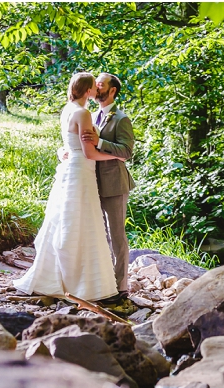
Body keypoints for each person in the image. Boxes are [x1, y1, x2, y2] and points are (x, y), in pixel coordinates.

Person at [13, 72, 123, 302]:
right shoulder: (83, 113)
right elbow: (89, 152)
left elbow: (70, 143)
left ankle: (64, 279)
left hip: (73, 169)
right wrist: (116, 158)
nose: (97, 89)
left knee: (69, 221)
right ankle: (82, 284)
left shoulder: (68, 109)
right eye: (94, 86)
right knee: (83, 223)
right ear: (88, 90)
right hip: (81, 171)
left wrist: (66, 151)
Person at [81, 73, 136, 300]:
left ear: (112, 90)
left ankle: (121, 287)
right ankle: (103, 283)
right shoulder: (91, 116)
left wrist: (100, 142)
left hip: (115, 185)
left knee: (117, 236)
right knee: (99, 235)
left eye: (100, 85)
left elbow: (127, 152)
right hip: (93, 183)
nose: (96, 88)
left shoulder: (121, 119)